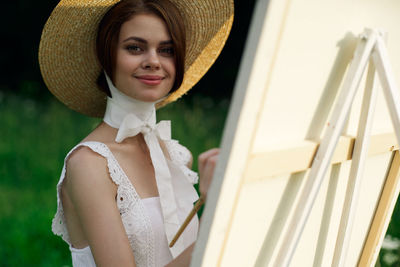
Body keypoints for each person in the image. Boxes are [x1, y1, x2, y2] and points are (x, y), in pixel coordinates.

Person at [39, 0, 233, 266]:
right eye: (135, 48)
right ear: (105, 55)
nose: (153, 61)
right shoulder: (89, 165)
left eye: (166, 50)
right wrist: (218, 219)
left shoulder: (176, 156)